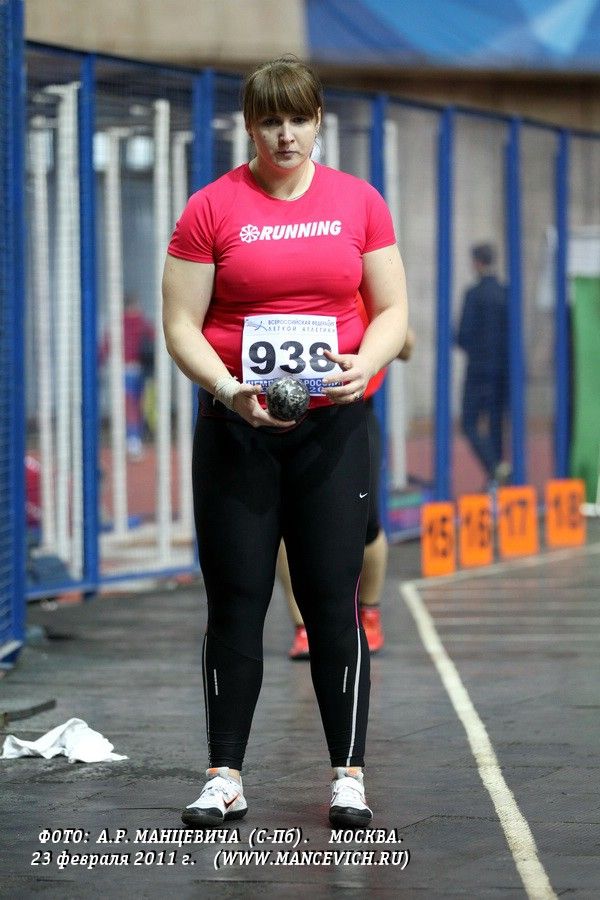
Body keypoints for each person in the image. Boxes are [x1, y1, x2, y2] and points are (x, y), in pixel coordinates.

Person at [162, 56, 408, 829]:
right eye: (270, 121)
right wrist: (228, 388)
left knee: (332, 598)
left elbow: (393, 309)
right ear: (250, 127)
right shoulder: (210, 209)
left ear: (317, 121)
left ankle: (349, 777)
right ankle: (224, 776)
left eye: (298, 119)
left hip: (332, 431)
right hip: (238, 429)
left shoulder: (358, 202)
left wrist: (365, 362)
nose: (285, 134)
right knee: (237, 599)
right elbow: (180, 325)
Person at [285, 323, 416, 660]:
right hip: (282, 413)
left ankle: (369, 613)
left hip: (351, 413)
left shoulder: (360, 292)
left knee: (366, 519)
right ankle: (303, 626)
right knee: (286, 522)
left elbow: (406, 346)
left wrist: (375, 330)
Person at [456, 243, 510, 487]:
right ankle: (497, 479)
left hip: (477, 371)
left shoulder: (473, 294)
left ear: (477, 262)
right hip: (502, 371)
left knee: (469, 423)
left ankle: (495, 468)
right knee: (496, 424)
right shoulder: (505, 292)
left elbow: (463, 336)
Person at [100, 293, 155, 459]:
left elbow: (106, 345)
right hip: (139, 369)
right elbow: (154, 339)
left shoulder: (118, 324)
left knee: (130, 406)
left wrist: (100, 362)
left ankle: (132, 439)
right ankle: (134, 439)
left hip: (123, 369)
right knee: (137, 405)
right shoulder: (142, 322)